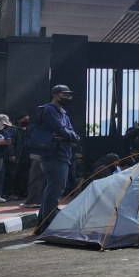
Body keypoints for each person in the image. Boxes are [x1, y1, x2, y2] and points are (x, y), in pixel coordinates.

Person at [35, 85, 80, 234]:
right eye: (64, 95)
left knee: (52, 190)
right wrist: (69, 135)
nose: (67, 98)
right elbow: (61, 129)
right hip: (54, 155)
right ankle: (48, 224)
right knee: (54, 191)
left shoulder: (63, 113)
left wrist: (68, 136)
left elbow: (73, 134)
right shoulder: (50, 110)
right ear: (55, 95)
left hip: (62, 154)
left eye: (68, 95)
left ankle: (42, 225)